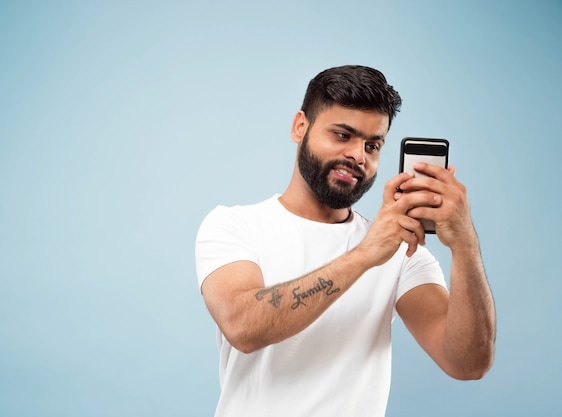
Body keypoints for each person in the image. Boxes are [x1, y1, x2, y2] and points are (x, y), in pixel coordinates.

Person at [194, 65, 496, 417]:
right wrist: (366, 254)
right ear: (300, 127)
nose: (358, 155)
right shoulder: (234, 225)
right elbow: (243, 326)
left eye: (373, 145)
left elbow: (468, 363)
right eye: (342, 135)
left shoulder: (402, 249)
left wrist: (465, 246)